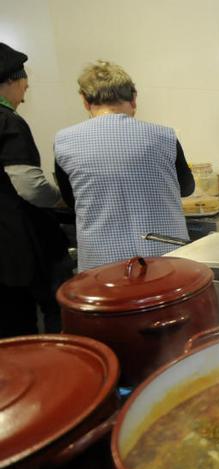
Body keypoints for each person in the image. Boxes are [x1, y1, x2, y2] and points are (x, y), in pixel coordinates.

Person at [54, 60, 195, 272]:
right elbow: (187, 188)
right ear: (134, 97)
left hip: (102, 264)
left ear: (84, 100)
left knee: (113, 306)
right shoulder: (164, 136)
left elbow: (71, 199)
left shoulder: (64, 141)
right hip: (164, 257)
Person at [0, 42, 71, 336]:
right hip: (12, 252)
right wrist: (60, 199)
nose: (24, 98)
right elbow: (29, 185)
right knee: (21, 330)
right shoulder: (7, 121)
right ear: (10, 82)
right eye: (24, 88)